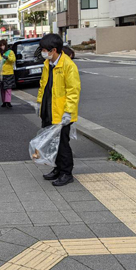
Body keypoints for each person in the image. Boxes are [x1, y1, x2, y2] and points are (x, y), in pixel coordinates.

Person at [36, 34, 81, 187]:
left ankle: (66, 173)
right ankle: (57, 168)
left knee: (62, 144)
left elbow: (73, 91)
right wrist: (39, 103)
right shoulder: (48, 64)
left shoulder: (68, 66)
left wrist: (68, 112)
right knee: (52, 143)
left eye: (44, 50)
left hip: (61, 114)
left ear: (53, 50)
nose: (42, 52)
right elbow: (43, 84)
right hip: (48, 110)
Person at [0, 40, 16, 108]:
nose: (2, 47)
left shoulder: (10, 52)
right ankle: (4, 101)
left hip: (8, 72)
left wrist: (7, 57)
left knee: (8, 88)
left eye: (3, 45)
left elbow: (13, 59)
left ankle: (8, 101)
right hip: (0, 73)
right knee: (2, 88)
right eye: (1, 45)